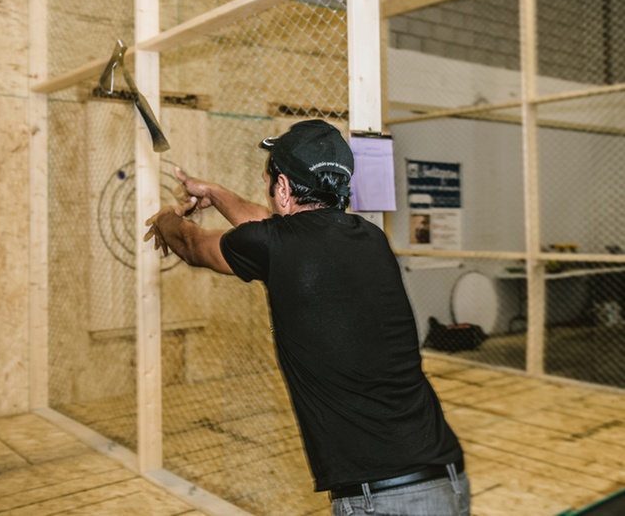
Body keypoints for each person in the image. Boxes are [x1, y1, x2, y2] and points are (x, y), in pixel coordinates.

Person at [144, 119, 470, 515]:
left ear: (282, 189)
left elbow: (194, 244)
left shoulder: (277, 245)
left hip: (379, 498)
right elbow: (274, 231)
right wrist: (213, 192)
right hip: (444, 476)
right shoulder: (370, 240)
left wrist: (164, 217)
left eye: (270, 182)